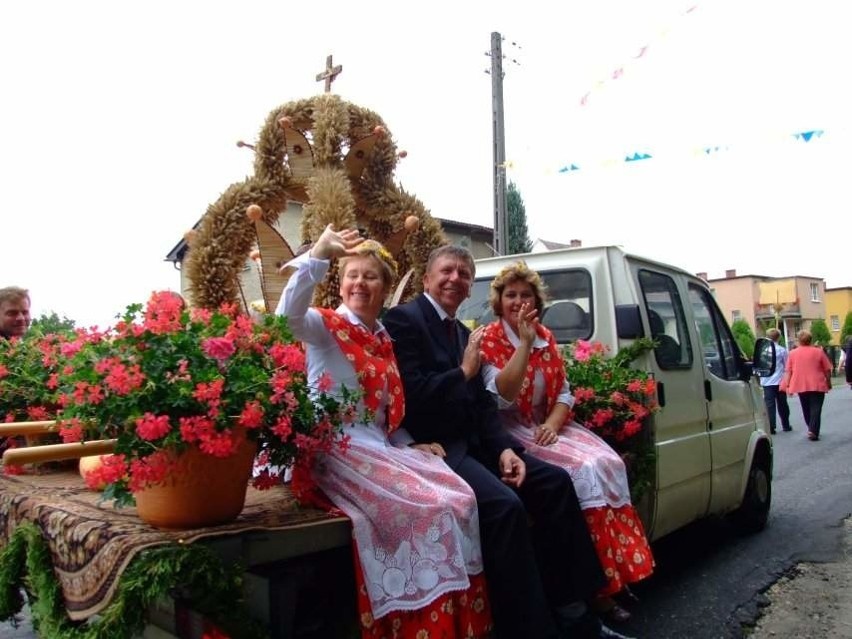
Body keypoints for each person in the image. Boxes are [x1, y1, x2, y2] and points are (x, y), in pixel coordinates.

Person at [384, 245, 631, 639]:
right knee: (505, 507)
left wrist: (504, 449)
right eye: (447, 271)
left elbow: (484, 402)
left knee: (554, 484)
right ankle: (532, 629)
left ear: (471, 289)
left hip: (478, 442)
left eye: (464, 274)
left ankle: (577, 614)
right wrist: (463, 371)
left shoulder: (462, 332)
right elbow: (408, 393)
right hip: (434, 446)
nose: (455, 279)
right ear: (427, 278)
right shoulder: (403, 320)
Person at [275, 225, 492, 639]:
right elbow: (287, 318)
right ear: (339, 285)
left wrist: (410, 442)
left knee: (460, 496)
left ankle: (454, 623)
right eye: (352, 274)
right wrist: (318, 255)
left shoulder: (383, 339)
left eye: (370, 276)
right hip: (335, 447)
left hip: (377, 446)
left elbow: (381, 415)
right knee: (428, 507)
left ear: (385, 287)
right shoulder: (325, 327)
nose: (360, 283)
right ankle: (411, 623)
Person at [478, 261, 655, 624]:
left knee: (609, 464)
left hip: (547, 426)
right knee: (582, 471)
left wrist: (555, 422)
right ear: (498, 301)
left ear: (536, 301)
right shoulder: (490, 339)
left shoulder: (545, 335)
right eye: (510, 295)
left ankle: (613, 577)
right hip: (509, 430)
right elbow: (502, 397)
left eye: (525, 295)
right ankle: (595, 592)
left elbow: (564, 392)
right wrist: (524, 345)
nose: (517, 301)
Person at [781, 330, 832, 441]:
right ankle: (813, 430)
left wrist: (788, 385)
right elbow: (827, 369)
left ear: (799, 340)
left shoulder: (792, 353)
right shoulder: (818, 352)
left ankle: (811, 428)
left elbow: (788, 370)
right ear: (810, 339)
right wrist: (828, 381)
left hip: (800, 384)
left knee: (806, 407)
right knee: (816, 408)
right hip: (817, 383)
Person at [760, 328, 792, 434]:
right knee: (782, 403)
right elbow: (786, 365)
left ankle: (771, 426)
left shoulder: (763, 350)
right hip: (779, 380)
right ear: (778, 337)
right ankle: (786, 424)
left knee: (769, 404)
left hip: (767, 380)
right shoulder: (782, 350)